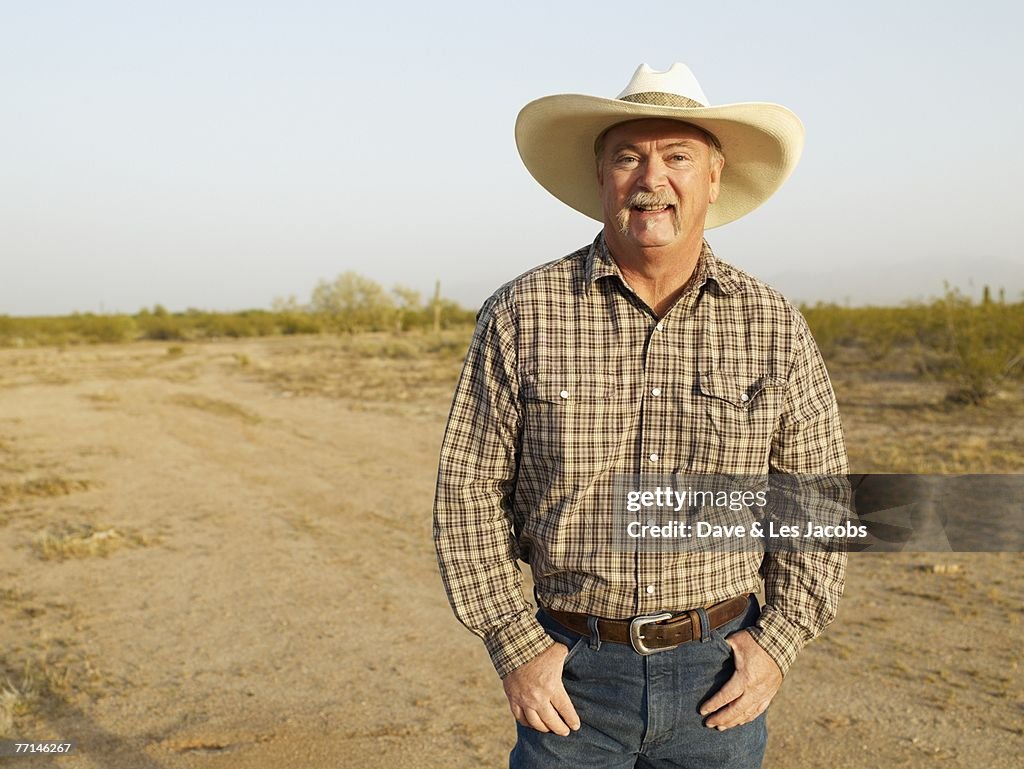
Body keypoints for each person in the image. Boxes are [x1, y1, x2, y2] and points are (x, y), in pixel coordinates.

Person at [433, 63, 849, 768]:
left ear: (714, 177)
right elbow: (466, 493)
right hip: (570, 674)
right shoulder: (523, 314)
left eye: (677, 156)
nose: (651, 178)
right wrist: (516, 643)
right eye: (629, 156)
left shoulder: (771, 323)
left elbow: (815, 500)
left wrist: (778, 643)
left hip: (718, 676)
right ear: (602, 177)